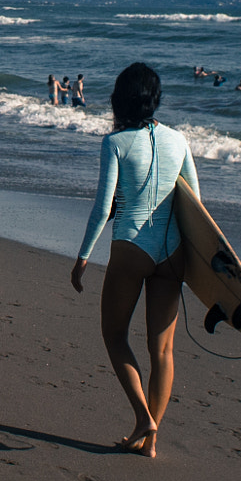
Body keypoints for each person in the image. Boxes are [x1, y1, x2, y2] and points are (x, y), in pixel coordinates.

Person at [68, 62, 199, 456]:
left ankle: (143, 417)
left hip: (132, 248)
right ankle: (150, 442)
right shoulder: (180, 140)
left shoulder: (115, 142)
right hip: (172, 254)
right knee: (162, 350)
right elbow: (194, 203)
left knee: (114, 334)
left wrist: (82, 257)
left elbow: (103, 206)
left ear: (119, 99)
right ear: (155, 99)